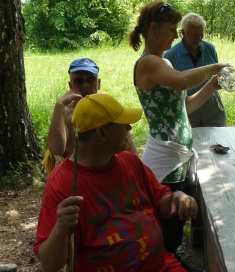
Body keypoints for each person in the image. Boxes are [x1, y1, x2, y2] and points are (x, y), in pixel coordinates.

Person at [33, 93, 198, 272]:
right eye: (122, 124)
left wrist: (177, 197)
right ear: (102, 133)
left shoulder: (130, 161)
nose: (129, 128)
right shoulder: (62, 184)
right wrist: (60, 228)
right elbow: (50, 265)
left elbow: (160, 202)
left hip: (161, 266)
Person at [129, 0, 230, 256]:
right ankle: (161, 262)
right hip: (164, 159)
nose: (176, 35)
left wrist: (211, 86)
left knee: (176, 219)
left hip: (177, 157)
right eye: (172, 28)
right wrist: (216, 67)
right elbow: (185, 80)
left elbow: (185, 107)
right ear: (153, 28)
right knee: (167, 222)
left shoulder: (165, 63)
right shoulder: (148, 63)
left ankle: (167, 260)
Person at [43, 58, 138, 174]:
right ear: (70, 85)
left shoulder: (109, 109)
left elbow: (132, 153)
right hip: (79, 176)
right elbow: (56, 148)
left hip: (111, 171)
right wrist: (59, 106)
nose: (85, 85)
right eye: (79, 81)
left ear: (98, 83)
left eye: (90, 79)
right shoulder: (66, 113)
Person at [164, 12, 226, 127]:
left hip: (211, 104)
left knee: (219, 139)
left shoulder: (210, 49)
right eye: (194, 35)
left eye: (201, 34)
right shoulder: (170, 55)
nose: (198, 39)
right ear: (183, 33)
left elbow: (216, 75)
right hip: (188, 106)